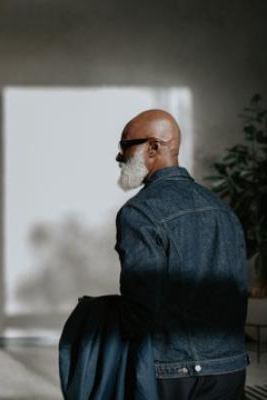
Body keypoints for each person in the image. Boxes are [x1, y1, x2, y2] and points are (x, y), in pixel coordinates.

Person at [115, 110, 249, 399]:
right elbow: (238, 290)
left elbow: (142, 307)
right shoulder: (223, 210)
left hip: (173, 372)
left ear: (154, 147)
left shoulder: (139, 213)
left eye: (125, 145)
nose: (118, 156)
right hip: (231, 366)